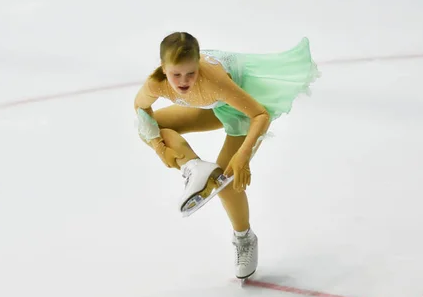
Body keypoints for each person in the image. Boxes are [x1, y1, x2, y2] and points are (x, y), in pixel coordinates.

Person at [133, 32, 320, 280]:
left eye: (191, 73)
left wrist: (243, 156)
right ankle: (194, 166)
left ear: (199, 64)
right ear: (163, 68)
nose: (183, 81)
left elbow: (259, 115)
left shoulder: (213, 80)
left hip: (242, 104)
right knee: (148, 127)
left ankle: (244, 238)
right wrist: (159, 147)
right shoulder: (155, 83)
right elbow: (141, 109)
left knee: (228, 184)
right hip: (213, 103)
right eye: (176, 74)